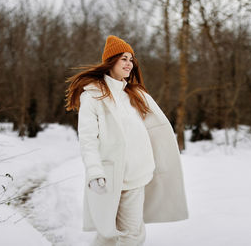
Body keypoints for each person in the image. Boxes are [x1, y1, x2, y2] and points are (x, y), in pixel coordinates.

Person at [64, 35, 188, 246]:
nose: (129, 63)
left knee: (132, 233)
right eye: (123, 58)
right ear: (110, 62)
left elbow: (154, 131)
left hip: (137, 177)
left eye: (131, 59)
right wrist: (94, 170)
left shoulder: (136, 95)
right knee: (107, 234)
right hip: (109, 176)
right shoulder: (93, 95)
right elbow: (87, 139)